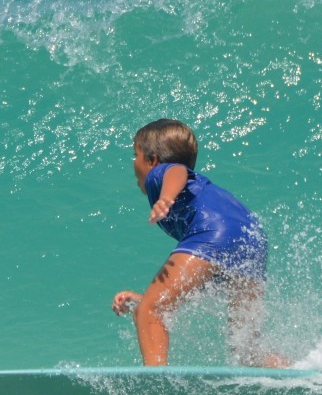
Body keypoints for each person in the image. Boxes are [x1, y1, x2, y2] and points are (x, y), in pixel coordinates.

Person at [112, 118, 287, 368]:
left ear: (151, 160)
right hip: (251, 239)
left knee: (150, 312)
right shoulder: (197, 189)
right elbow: (199, 277)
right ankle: (315, 380)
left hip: (215, 230)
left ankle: (156, 384)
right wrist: (148, 298)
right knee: (246, 350)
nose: (133, 163)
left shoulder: (158, 175)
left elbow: (176, 171)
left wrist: (166, 197)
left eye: (135, 155)